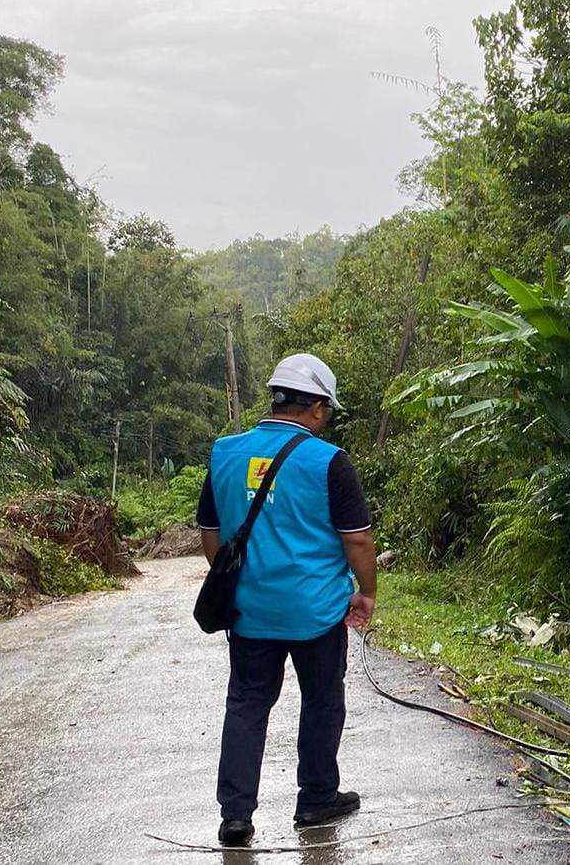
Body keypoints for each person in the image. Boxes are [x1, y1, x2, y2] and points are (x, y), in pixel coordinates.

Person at [195, 353, 378, 848]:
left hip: (249, 612)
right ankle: (316, 798)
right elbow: (358, 540)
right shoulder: (329, 462)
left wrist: (235, 581)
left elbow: (211, 532)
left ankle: (236, 815)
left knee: (247, 703)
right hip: (316, 612)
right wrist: (366, 592)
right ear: (316, 407)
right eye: (327, 409)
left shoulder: (225, 453)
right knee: (322, 700)